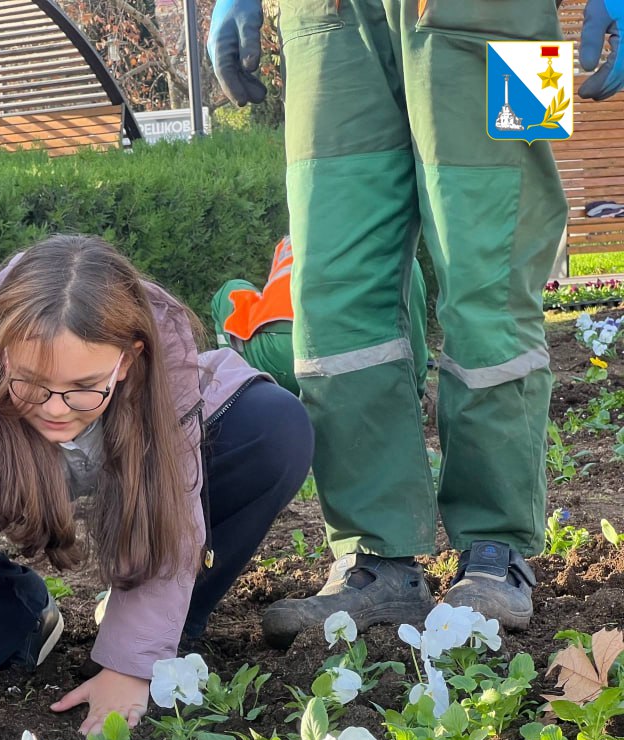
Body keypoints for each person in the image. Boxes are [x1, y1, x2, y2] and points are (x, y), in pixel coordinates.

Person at [205, 0, 621, 645]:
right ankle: (376, 560)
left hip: (504, 16)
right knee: (330, 293)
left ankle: (496, 548)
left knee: (497, 276)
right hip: (329, 20)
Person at [0, 235, 314, 735]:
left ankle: (159, 633)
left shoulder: (163, 362)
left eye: (82, 387)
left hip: (146, 438)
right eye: (33, 382)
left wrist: (129, 668)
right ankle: (22, 607)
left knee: (276, 425)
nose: (54, 408)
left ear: (127, 360)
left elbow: (171, 506)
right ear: (2, 353)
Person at [212, 235, 429, 399]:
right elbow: (412, 333)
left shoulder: (296, 232)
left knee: (231, 291)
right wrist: (415, 390)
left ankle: (230, 393)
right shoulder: (390, 243)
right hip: (350, 361)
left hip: (281, 352)